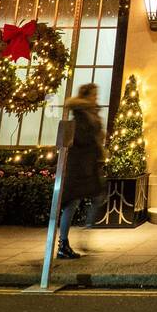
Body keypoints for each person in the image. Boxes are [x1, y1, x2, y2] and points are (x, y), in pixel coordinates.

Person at [57, 82, 106, 260]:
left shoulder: (91, 115)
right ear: (86, 96)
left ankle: (81, 235)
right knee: (73, 203)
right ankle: (64, 243)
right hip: (80, 166)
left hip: (89, 165)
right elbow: (83, 140)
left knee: (95, 198)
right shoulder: (81, 116)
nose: (96, 98)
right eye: (94, 94)